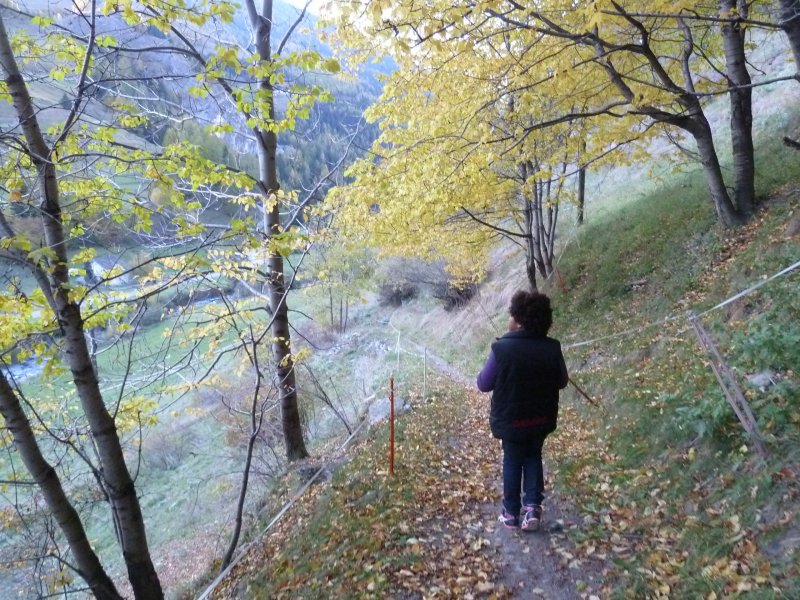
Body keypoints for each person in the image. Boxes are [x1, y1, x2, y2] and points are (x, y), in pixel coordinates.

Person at [476, 290, 568, 531]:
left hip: (511, 421)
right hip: (541, 418)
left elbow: (483, 384)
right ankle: (533, 508)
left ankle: (510, 513)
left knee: (512, 460)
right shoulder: (552, 348)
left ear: (518, 321)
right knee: (533, 456)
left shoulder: (501, 349)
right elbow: (562, 381)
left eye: (512, 316)